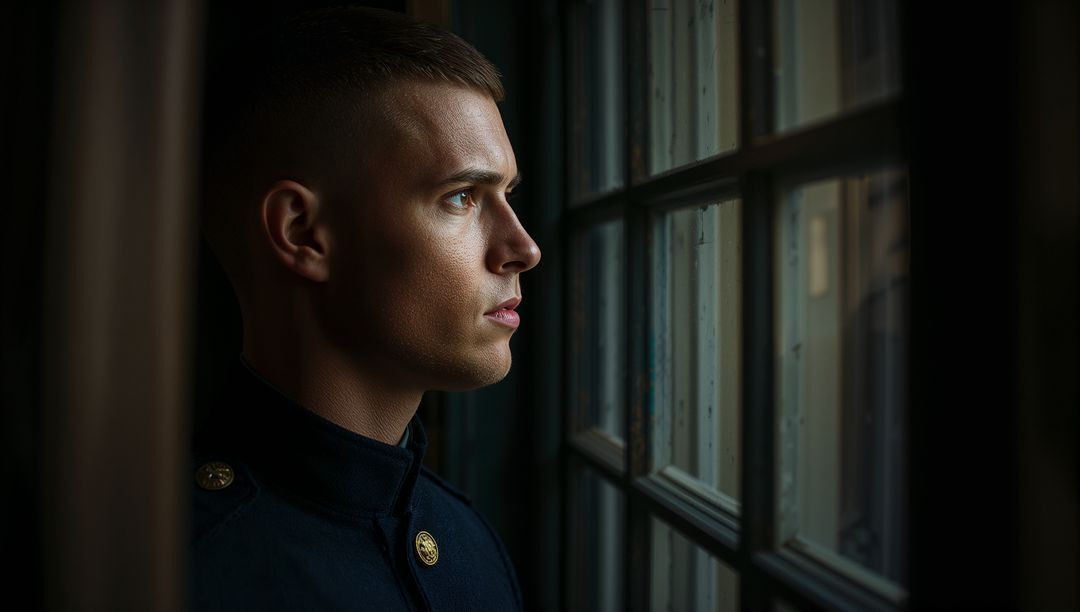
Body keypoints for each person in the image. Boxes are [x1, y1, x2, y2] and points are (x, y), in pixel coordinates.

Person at [190, 6, 539, 611]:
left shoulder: (467, 541)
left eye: (506, 195)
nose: (523, 249)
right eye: (460, 196)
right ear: (303, 233)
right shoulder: (184, 571)